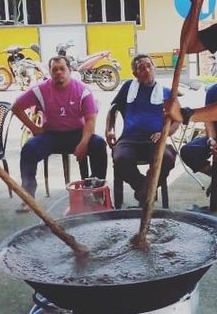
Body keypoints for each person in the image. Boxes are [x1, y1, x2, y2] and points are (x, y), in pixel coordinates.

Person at [12, 55, 107, 203]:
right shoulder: (40, 89)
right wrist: (34, 128)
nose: (58, 72)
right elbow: (16, 107)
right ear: (49, 72)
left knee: (99, 144)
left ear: (69, 70)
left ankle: (96, 190)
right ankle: (28, 195)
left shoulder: (82, 90)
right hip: (51, 135)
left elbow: (90, 121)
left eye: (62, 69)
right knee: (28, 149)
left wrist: (83, 143)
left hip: (77, 134)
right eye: (54, 69)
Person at [106, 54, 179, 205]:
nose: (146, 70)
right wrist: (110, 129)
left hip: (154, 140)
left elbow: (177, 120)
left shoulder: (166, 92)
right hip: (129, 139)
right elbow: (113, 109)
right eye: (141, 68)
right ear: (135, 74)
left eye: (149, 66)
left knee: (168, 158)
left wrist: (164, 134)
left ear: (154, 68)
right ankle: (145, 190)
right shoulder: (128, 87)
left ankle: (143, 193)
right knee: (120, 159)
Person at [178, 83, 217, 181]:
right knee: (188, 151)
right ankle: (213, 175)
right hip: (215, 136)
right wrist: (211, 140)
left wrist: (188, 115)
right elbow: (208, 119)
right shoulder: (213, 90)